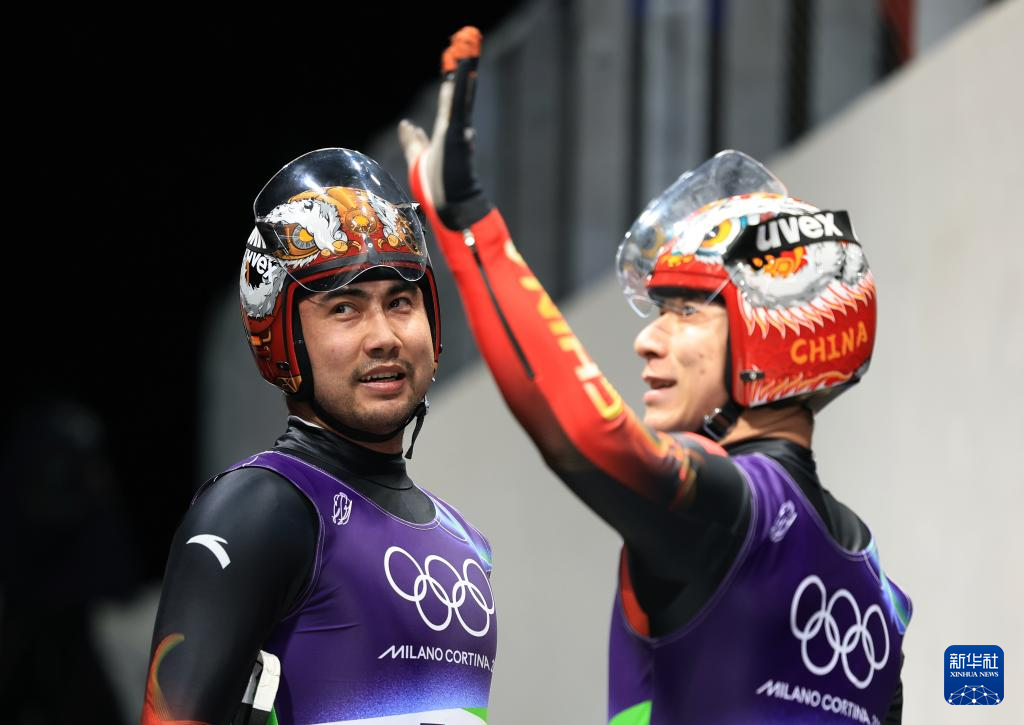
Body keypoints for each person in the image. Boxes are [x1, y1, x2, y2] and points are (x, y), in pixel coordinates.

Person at [399, 27, 911, 724]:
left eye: (684, 312)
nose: (646, 340)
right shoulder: (881, 596)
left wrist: (468, 221)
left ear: (775, 332)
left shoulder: (734, 508)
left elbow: (587, 433)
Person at [142, 148, 497, 725]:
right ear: (282, 338)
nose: (384, 337)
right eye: (345, 309)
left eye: (400, 302)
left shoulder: (467, 543)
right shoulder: (259, 508)